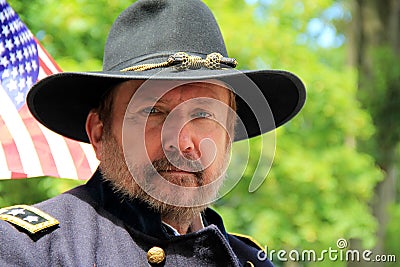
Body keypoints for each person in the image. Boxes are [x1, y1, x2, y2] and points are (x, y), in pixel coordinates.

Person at [0, 0, 305, 266]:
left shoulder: (248, 260)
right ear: (99, 133)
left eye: (203, 114)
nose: (182, 143)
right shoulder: (27, 249)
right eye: (154, 112)